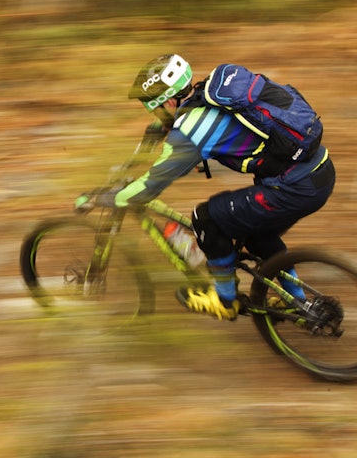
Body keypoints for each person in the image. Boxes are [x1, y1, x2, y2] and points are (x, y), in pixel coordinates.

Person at [85, 53, 335, 320]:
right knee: (255, 234)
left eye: (154, 107)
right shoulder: (212, 92)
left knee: (205, 219)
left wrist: (110, 197)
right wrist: (147, 144)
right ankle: (297, 301)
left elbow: (151, 186)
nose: (156, 113)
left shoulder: (189, 133)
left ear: (168, 101)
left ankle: (224, 300)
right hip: (320, 169)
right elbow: (171, 126)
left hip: (293, 189)